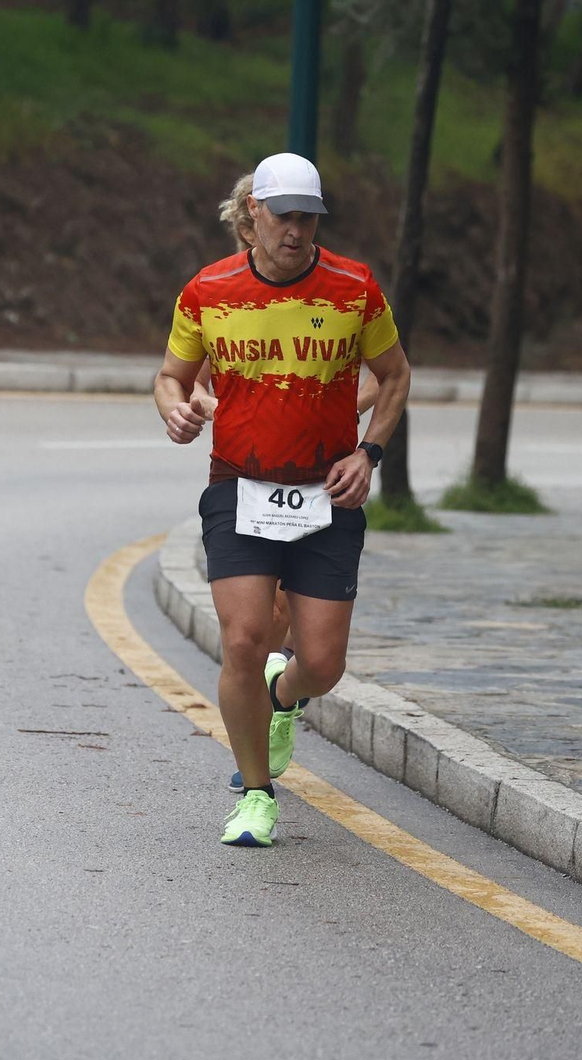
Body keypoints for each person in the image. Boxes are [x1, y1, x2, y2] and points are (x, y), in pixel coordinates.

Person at [154, 152, 411, 847]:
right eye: (285, 216)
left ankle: (283, 696)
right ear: (252, 217)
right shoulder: (208, 291)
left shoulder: (354, 288)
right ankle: (257, 796)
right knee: (243, 638)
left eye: (309, 217)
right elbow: (170, 376)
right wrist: (175, 408)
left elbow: (394, 375)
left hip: (328, 492)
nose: (297, 230)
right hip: (238, 484)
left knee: (322, 664)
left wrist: (369, 453)